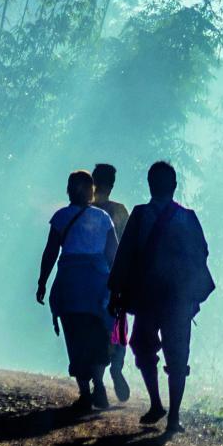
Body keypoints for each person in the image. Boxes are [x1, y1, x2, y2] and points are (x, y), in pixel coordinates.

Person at [108, 159, 214, 433]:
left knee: (143, 350)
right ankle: (173, 416)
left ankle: (157, 403)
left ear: (150, 184)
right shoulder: (187, 217)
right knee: (177, 356)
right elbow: (202, 253)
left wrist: (116, 292)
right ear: (174, 186)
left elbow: (124, 256)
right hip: (178, 298)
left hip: (147, 297)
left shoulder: (140, 215)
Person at [37, 169, 117, 409]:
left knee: (75, 335)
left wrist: (42, 281)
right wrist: (119, 285)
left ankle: (85, 393)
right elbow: (114, 255)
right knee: (99, 333)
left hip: (70, 284)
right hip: (97, 284)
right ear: (91, 190)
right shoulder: (103, 217)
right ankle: (99, 384)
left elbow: (51, 252)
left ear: (70, 190)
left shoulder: (61, 217)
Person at [91, 162, 133, 403]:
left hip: (90, 279)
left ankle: (97, 382)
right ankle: (116, 368)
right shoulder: (119, 211)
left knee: (91, 328)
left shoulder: (84, 210)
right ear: (112, 184)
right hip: (115, 279)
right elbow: (128, 246)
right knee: (117, 327)